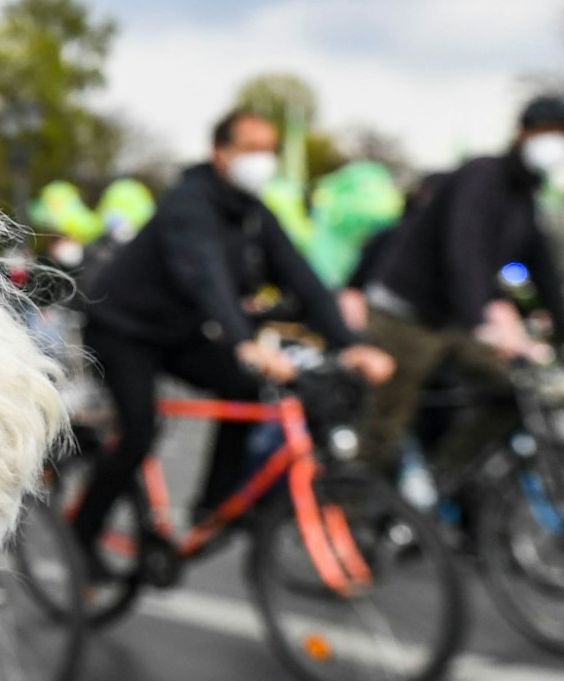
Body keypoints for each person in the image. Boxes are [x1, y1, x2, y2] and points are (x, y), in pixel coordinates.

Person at [72, 110, 393, 565]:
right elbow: (206, 278)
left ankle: (213, 507)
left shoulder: (253, 214)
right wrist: (243, 342)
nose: (263, 160)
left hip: (178, 333)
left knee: (248, 390)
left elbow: (303, 279)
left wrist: (350, 343)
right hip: (124, 329)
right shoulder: (189, 203)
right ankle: (80, 536)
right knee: (139, 431)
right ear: (220, 153)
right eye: (252, 149)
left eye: (269, 150)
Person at [357, 97, 564, 487]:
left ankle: (438, 484)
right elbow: (463, 250)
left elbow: (544, 272)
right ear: (523, 133)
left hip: (454, 322)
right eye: (549, 134)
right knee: (386, 425)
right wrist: (481, 321)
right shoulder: (482, 176)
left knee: (515, 394)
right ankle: (351, 518)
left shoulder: (526, 197)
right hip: (407, 318)